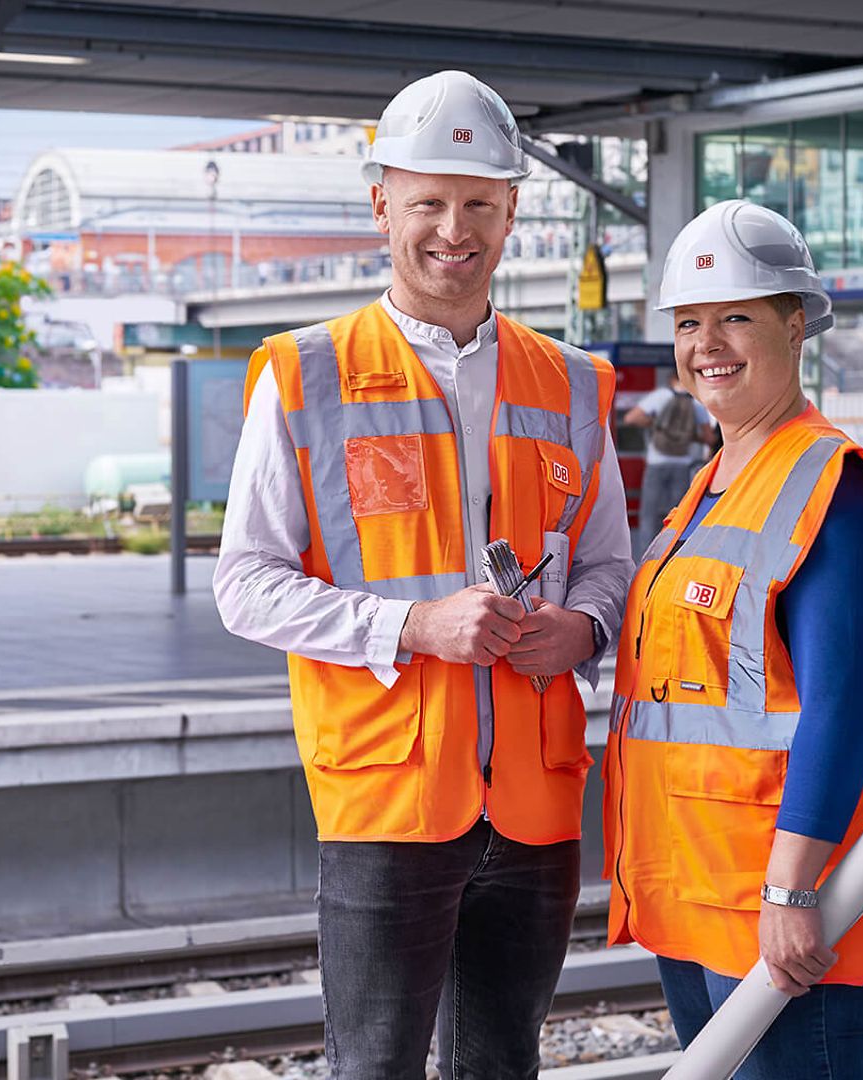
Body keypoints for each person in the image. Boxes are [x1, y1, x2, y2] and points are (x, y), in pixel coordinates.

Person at [214, 70, 634, 1080]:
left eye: (479, 203)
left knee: (504, 1069)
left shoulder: (573, 383)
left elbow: (611, 565)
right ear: (381, 206)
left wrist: (584, 631)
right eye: (430, 202)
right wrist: (411, 628)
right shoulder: (305, 374)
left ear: (511, 212)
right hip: (388, 800)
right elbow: (245, 581)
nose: (456, 228)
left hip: (534, 806)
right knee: (376, 1070)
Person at [601, 199, 863, 1079]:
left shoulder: (831, 486)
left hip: (781, 903)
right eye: (690, 323)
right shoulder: (709, 485)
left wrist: (791, 892)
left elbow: (841, 709)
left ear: (796, 325)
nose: (709, 343)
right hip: (697, 895)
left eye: (738, 317)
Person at [622, 371, 713, 553]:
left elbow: (630, 418)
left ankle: (646, 558)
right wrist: (690, 436)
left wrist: (655, 425)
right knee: (678, 515)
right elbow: (709, 438)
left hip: (656, 463)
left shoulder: (660, 396)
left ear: (671, 380)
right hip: (682, 464)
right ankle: (672, 554)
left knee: (649, 514)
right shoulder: (697, 402)